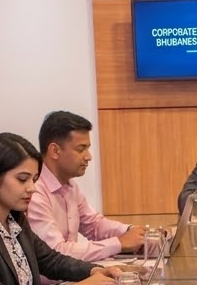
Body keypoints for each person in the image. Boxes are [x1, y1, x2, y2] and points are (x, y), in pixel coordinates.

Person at [0, 132, 119, 285]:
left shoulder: (15, 220)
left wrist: (94, 271)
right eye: (22, 179)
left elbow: (50, 260)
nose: (32, 188)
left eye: (34, 179)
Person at [27, 110, 145, 261]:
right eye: (81, 149)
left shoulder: (70, 186)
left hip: (71, 276)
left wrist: (132, 231)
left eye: (88, 148)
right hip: (51, 283)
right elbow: (56, 252)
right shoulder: (34, 191)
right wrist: (119, 243)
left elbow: (94, 225)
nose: (88, 156)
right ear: (55, 151)